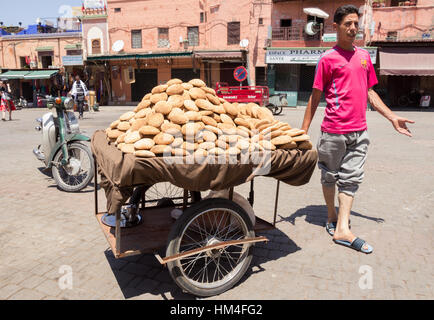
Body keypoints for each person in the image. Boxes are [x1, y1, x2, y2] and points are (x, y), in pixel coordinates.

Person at [301, 5, 415, 254]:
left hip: (359, 132)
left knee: (351, 180)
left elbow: (371, 92)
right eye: (348, 24)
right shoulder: (327, 59)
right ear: (337, 27)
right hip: (333, 132)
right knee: (329, 176)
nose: (353, 28)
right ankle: (331, 215)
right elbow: (314, 97)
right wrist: (302, 132)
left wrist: (391, 117)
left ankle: (342, 227)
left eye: (356, 23)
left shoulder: (364, 56)